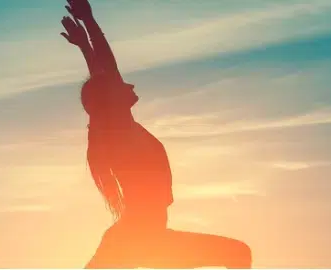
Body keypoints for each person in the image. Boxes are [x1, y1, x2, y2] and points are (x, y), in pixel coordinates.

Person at [59, 0, 253, 268]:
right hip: (141, 238)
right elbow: (107, 71)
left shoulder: (117, 130)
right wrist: (90, 23)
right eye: (118, 86)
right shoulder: (120, 134)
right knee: (238, 253)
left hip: (143, 238)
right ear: (112, 103)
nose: (129, 84)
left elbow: (103, 75)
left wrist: (85, 45)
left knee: (238, 254)